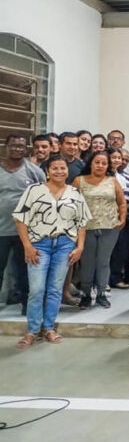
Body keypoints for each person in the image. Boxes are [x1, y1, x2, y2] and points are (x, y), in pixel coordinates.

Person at [13, 155, 90, 348]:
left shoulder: (74, 193)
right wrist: (27, 246)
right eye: (54, 168)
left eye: (62, 168)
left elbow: (82, 222)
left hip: (65, 245)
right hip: (39, 245)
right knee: (37, 290)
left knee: (55, 290)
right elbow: (20, 219)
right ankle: (32, 331)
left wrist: (79, 247)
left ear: (67, 170)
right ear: (47, 171)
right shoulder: (34, 190)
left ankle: (48, 328)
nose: (59, 171)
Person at [73, 151, 127, 309]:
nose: (100, 166)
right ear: (91, 163)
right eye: (97, 162)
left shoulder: (112, 181)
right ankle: (86, 293)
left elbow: (122, 202)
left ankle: (102, 293)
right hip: (85, 227)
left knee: (103, 262)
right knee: (87, 262)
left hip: (109, 227)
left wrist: (122, 219)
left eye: (104, 163)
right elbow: (71, 203)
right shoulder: (79, 181)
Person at [1, 134, 46, 314]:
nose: (17, 149)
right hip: (1, 230)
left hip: (26, 233)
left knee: (25, 270)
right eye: (13, 145)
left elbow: (44, 197)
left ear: (26, 148)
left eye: (21, 146)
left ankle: (28, 306)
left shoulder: (34, 171)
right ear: (6, 147)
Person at [108, 148, 129, 290]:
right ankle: (103, 280)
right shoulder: (104, 175)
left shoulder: (125, 176)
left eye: (122, 158)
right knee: (106, 250)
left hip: (123, 215)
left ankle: (116, 278)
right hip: (106, 217)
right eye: (115, 157)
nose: (118, 161)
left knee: (121, 249)